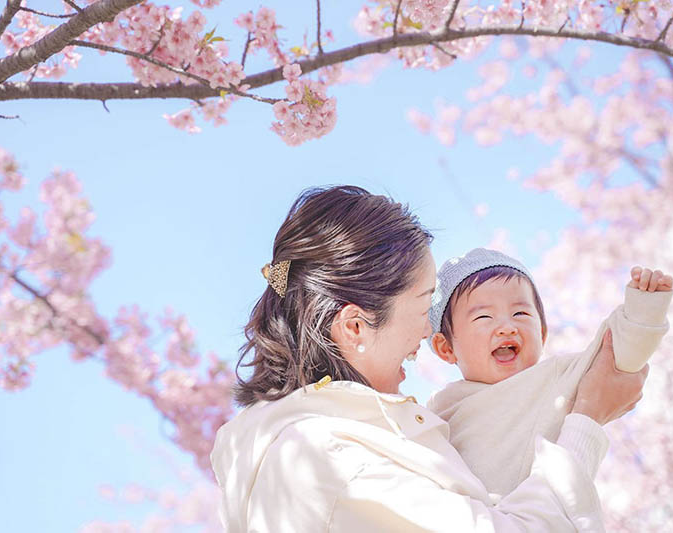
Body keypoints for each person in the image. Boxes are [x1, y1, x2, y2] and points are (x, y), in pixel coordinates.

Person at [210, 186, 648, 533]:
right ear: (356, 327)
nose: (427, 332)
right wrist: (587, 419)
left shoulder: (324, 443)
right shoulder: (339, 460)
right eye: (423, 308)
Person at [426, 248, 673, 496]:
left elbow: (615, 359)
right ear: (446, 347)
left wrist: (643, 311)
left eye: (520, 313)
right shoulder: (437, 414)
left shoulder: (556, 379)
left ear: (542, 334)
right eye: (484, 317)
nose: (507, 327)